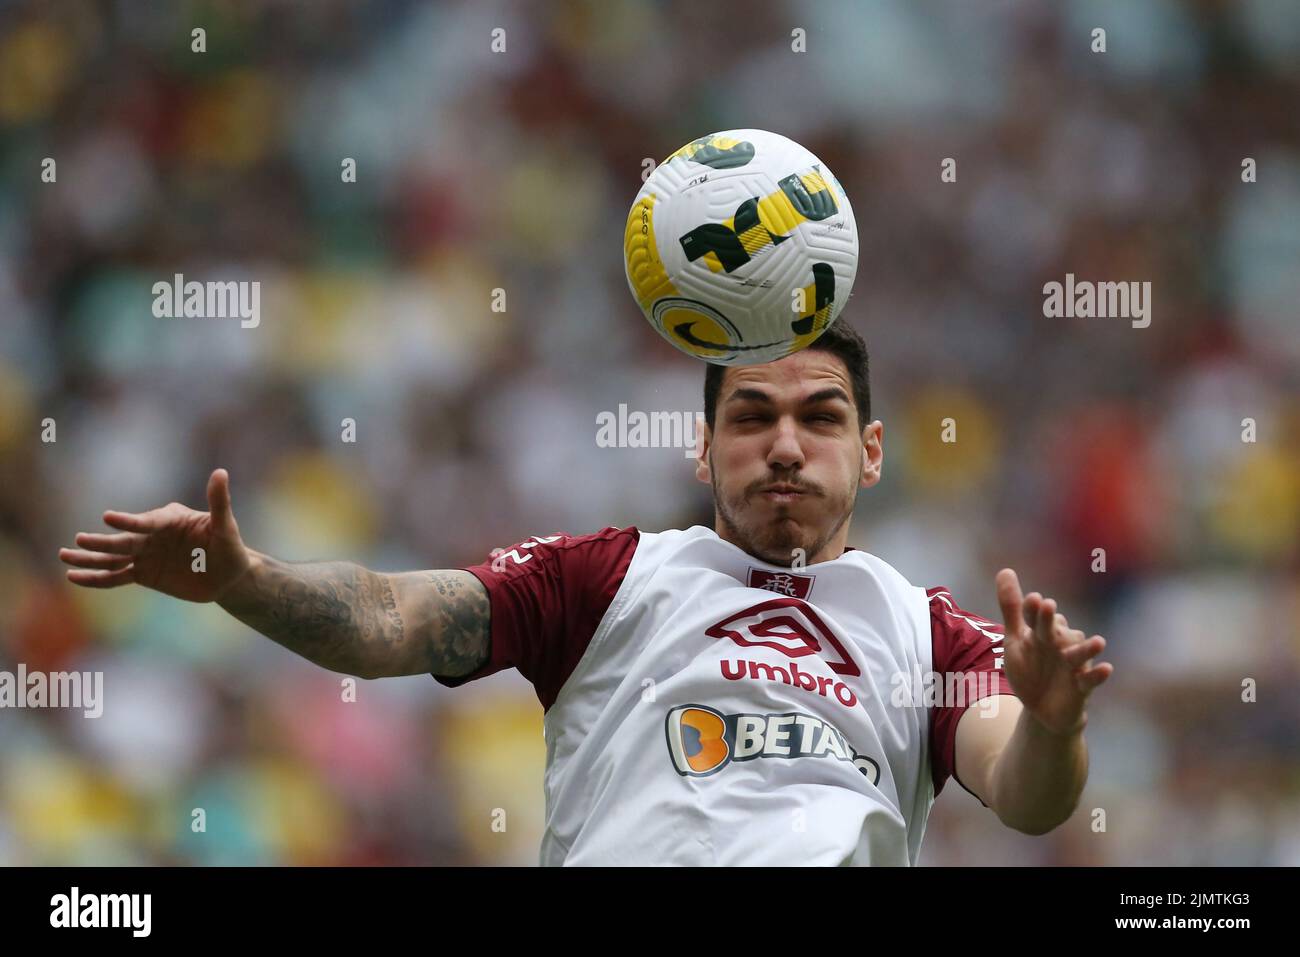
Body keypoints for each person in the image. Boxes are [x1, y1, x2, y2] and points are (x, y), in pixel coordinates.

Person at [60, 320, 1112, 865]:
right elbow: (387, 618)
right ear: (703, 451)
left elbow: (1023, 792)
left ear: (872, 451)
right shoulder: (608, 576)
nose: (784, 446)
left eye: (821, 418)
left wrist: (1055, 727)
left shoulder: (925, 628)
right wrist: (244, 579)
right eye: (750, 418)